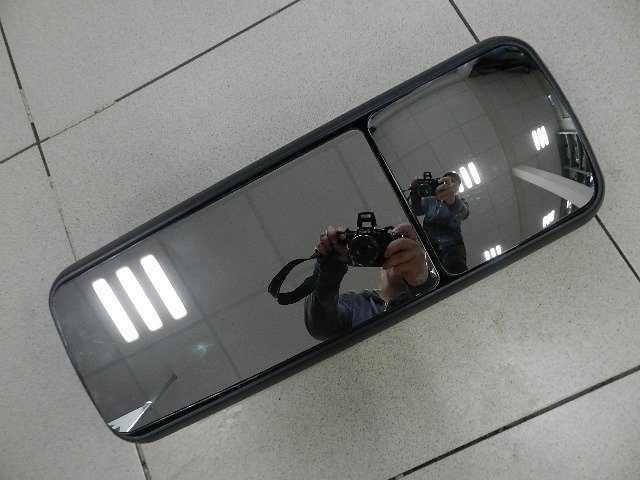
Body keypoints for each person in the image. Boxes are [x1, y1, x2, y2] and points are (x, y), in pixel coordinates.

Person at [304, 223, 435, 341]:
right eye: (393, 251)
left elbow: (438, 323)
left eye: (403, 251)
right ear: (381, 266)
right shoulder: (353, 304)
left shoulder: (436, 291)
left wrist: (422, 282)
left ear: (429, 266)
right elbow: (321, 329)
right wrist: (327, 271)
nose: (399, 259)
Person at [409, 172, 469, 274]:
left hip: (453, 248)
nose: (449, 183)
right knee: (423, 274)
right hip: (429, 245)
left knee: (459, 271)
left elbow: (463, 213)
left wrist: (452, 201)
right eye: (445, 181)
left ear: (458, 187)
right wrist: (415, 192)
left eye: (453, 181)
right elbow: (417, 211)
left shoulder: (461, 202)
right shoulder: (430, 201)